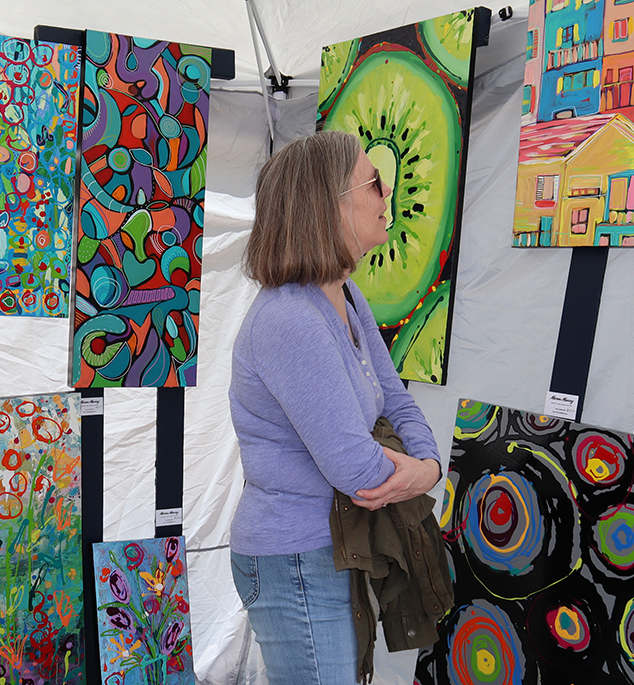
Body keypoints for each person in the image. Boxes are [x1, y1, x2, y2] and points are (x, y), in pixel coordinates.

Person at [228, 130, 444, 684]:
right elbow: (357, 471)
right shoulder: (289, 320)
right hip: (295, 560)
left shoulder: (345, 294)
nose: (386, 194)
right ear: (329, 203)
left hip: (328, 552)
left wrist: (427, 464)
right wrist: (421, 474)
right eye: (373, 182)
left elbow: (396, 398)